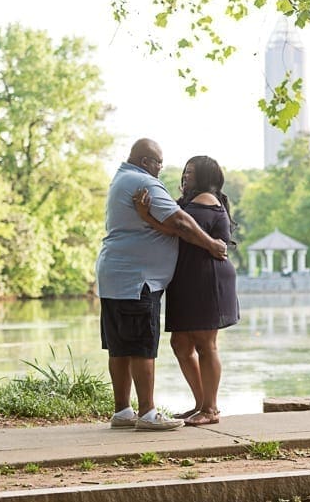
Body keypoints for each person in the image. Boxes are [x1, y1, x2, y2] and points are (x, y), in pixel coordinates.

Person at [96, 139, 227, 431]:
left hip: (116, 277)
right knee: (141, 346)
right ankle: (148, 413)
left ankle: (123, 411)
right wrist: (211, 245)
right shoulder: (144, 183)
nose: (162, 169)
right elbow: (180, 223)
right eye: (159, 163)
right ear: (146, 162)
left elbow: (172, 224)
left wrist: (145, 217)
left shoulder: (122, 179)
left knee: (119, 348)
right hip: (138, 280)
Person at [135, 155, 239, 426]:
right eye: (184, 171)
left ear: (204, 178)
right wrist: (146, 215)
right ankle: (201, 404)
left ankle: (211, 409)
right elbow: (174, 229)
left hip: (207, 278)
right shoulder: (188, 203)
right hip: (185, 279)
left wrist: (147, 215)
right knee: (181, 344)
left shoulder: (205, 199)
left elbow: (179, 228)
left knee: (206, 345)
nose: (185, 176)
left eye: (190, 173)